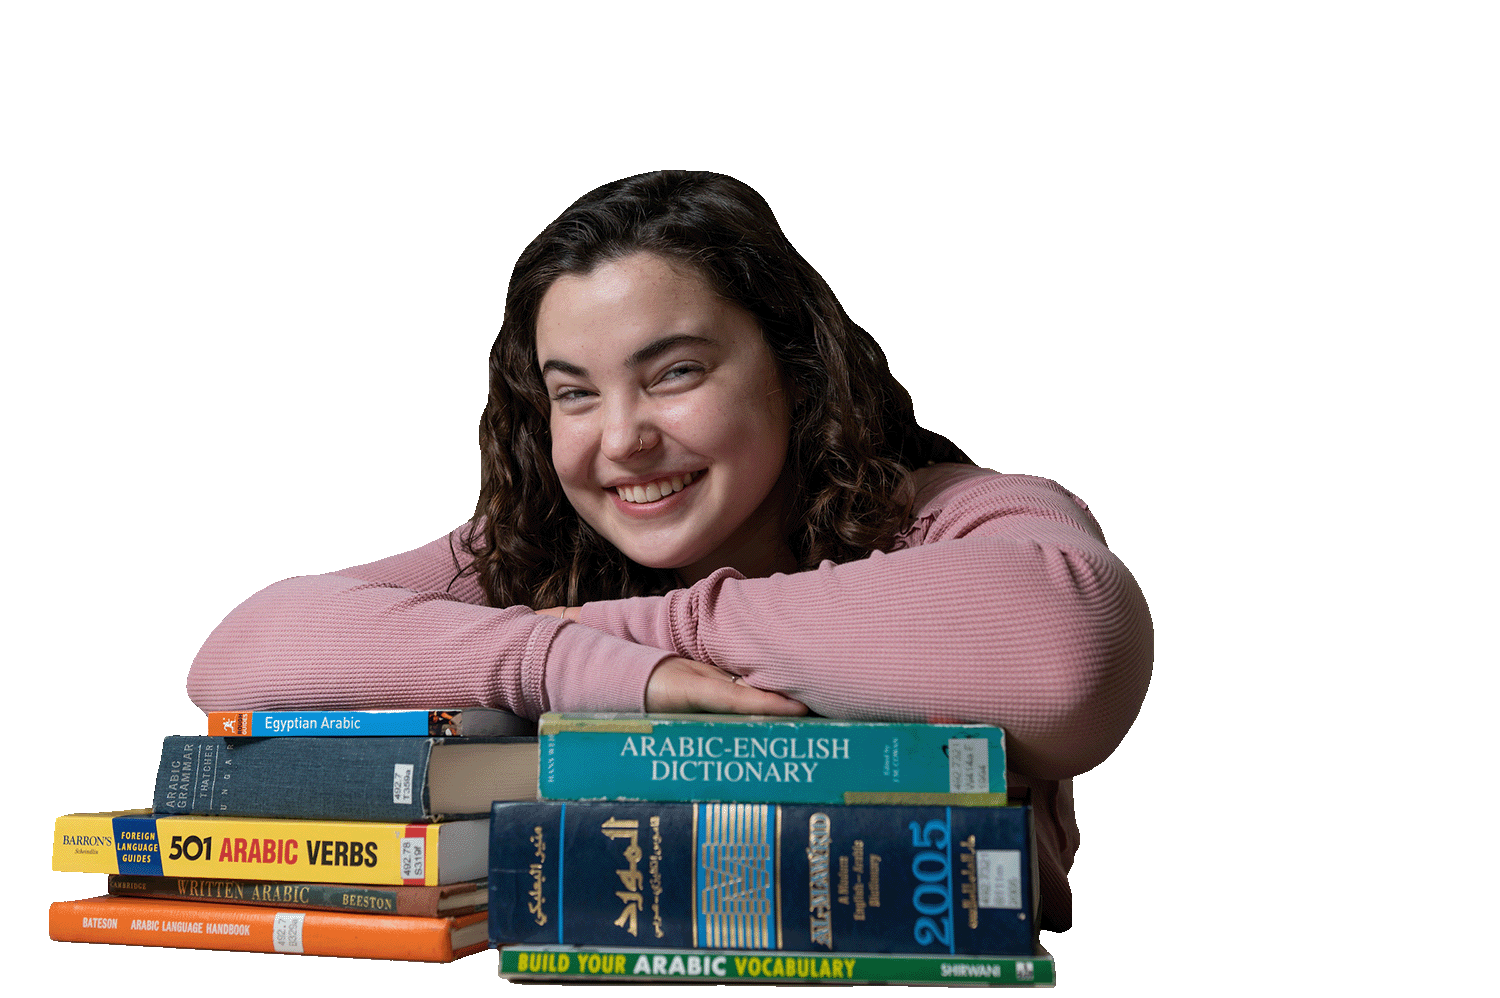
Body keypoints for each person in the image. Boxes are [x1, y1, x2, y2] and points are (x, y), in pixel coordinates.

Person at [186, 170, 1153, 932]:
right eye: (573, 393)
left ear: (798, 369)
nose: (622, 440)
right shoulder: (540, 552)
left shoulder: (955, 520)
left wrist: (660, 632)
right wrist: (566, 660)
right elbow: (239, 658)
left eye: (675, 373)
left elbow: (1065, 656)